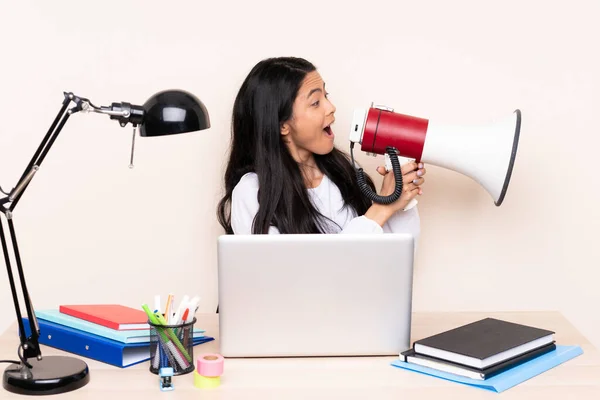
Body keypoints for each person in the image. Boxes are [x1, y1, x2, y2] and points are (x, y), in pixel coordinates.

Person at [217, 56, 426, 242]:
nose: (331, 107)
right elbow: (297, 274)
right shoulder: (253, 192)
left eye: (327, 95)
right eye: (316, 102)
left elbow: (396, 255)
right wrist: (382, 208)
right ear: (282, 125)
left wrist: (399, 197)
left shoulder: (342, 173)